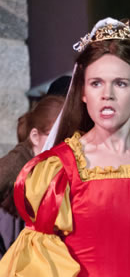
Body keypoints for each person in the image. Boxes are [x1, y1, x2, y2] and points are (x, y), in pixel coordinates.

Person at [0, 18, 130, 276]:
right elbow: (42, 263)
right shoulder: (57, 171)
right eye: (96, 83)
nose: (106, 94)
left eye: (120, 83)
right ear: (84, 93)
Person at [0, 95, 65, 256]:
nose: (64, 144)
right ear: (35, 137)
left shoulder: (48, 167)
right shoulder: (15, 167)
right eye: (56, 137)